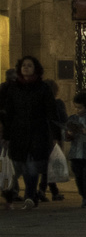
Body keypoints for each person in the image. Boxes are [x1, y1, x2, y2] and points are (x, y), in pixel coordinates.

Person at [0, 57, 57, 208]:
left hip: (37, 132)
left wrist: (55, 134)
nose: (26, 68)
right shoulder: (14, 88)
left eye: (29, 65)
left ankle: (30, 196)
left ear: (35, 68)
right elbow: (9, 113)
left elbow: (51, 112)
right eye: (24, 65)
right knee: (18, 165)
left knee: (31, 165)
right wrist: (6, 135)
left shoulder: (43, 88)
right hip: (18, 132)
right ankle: (10, 196)